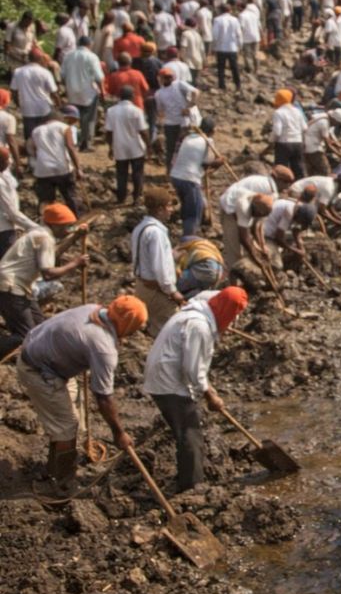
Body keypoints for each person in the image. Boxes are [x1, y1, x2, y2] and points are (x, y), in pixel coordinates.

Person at [17, 295, 146, 495]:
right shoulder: (103, 347)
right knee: (67, 425)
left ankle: (54, 467)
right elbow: (103, 397)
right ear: (127, 324)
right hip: (37, 369)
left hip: (42, 350)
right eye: (134, 328)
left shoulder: (93, 308)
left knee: (70, 420)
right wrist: (118, 433)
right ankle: (60, 484)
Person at [143, 285, 246, 494]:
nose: (234, 322)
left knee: (188, 432)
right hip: (168, 381)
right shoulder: (198, 326)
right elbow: (192, 370)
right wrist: (210, 396)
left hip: (168, 373)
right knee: (190, 435)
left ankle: (188, 481)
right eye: (234, 315)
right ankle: (192, 489)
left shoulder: (203, 306)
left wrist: (208, 387)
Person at [0, 204, 89, 356]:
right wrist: (75, 263)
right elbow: (48, 274)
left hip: (17, 287)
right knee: (25, 335)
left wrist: (74, 237)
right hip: (11, 287)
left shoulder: (39, 234)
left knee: (40, 328)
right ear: (54, 225)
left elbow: (52, 255)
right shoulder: (44, 238)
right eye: (65, 226)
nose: (67, 230)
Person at [132, 187, 187, 336]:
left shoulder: (141, 228)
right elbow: (160, 268)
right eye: (169, 206)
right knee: (171, 331)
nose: (171, 210)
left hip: (142, 286)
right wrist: (173, 292)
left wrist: (172, 255)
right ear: (160, 209)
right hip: (155, 290)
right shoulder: (156, 233)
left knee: (155, 328)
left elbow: (149, 258)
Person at [218, 166, 293, 267]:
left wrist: (262, 246)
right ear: (277, 179)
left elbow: (258, 224)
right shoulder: (245, 205)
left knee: (250, 247)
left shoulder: (270, 197)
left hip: (248, 206)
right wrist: (255, 256)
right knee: (234, 249)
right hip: (230, 209)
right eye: (286, 183)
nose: (287, 188)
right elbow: (244, 237)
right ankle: (233, 276)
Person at [170, 117, 221, 237]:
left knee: (190, 205)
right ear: (212, 130)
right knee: (193, 213)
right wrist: (219, 162)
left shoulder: (189, 137)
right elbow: (207, 164)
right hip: (189, 179)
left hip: (176, 176)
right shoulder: (207, 141)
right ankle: (189, 238)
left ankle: (195, 227)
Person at [28, 106, 82, 217]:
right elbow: (70, 147)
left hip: (43, 170)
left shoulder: (36, 131)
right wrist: (78, 168)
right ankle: (76, 220)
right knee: (70, 197)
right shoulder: (64, 127)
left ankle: (46, 223)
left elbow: (33, 150)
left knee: (46, 201)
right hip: (62, 168)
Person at [104, 85, 150, 204]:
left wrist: (110, 147)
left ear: (120, 97)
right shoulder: (137, 111)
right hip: (136, 147)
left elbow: (109, 132)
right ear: (132, 96)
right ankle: (136, 198)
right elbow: (143, 131)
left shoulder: (111, 111)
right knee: (137, 174)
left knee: (121, 174)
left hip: (119, 147)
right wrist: (149, 146)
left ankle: (121, 198)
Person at [59, 36, 105, 151]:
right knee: (89, 119)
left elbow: (62, 75)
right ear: (89, 44)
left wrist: (67, 87)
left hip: (72, 91)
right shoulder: (92, 56)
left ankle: (70, 141)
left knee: (72, 117)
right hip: (88, 92)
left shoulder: (68, 56)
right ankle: (86, 143)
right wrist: (103, 91)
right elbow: (99, 77)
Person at [0, 147, 39, 259]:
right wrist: (36, 227)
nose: (10, 161)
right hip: (3, 232)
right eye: (8, 159)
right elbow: (12, 213)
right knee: (8, 267)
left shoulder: (4, 177)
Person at [155, 67, 198, 166]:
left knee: (177, 148)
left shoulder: (178, 84)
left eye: (169, 77)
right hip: (176, 123)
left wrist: (189, 106)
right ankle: (171, 170)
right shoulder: (159, 93)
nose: (168, 79)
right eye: (166, 77)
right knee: (174, 148)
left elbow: (195, 92)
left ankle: (175, 170)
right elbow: (161, 111)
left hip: (182, 123)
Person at [11, 57, 60, 140]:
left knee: (29, 133)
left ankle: (29, 150)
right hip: (44, 107)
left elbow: (14, 90)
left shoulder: (18, 71)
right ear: (40, 60)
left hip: (27, 107)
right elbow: (54, 92)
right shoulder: (45, 72)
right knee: (44, 131)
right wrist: (59, 104)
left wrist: (17, 103)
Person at [270, 89, 306, 179]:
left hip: (283, 144)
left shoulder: (278, 112)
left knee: (281, 170)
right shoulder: (297, 111)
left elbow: (277, 132)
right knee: (298, 169)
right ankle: (299, 187)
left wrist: (271, 140)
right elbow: (305, 128)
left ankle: (282, 189)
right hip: (298, 143)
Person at [302, 105, 341, 176]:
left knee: (311, 171)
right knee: (326, 171)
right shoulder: (325, 124)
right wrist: (340, 155)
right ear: (335, 120)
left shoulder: (324, 117)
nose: (336, 126)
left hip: (307, 145)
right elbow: (328, 145)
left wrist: (338, 146)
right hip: (313, 148)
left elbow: (329, 139)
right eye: (337, 124)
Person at [211, 4, 242, 90]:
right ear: (230, 10)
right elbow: (239, 34)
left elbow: (215, 35)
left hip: (221, 48)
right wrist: (240, 45)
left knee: (221, 67)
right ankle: (238, 84)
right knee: (234, 67)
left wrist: (213, 47)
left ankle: (222, 85)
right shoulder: (235, 20)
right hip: (232, 48)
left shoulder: (217, 20)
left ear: (221, 10)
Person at [238, 0, 261, 76]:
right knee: (255, 53)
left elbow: (241, 27)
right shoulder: (253, 14)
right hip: (256, 36)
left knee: (247, 54)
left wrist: (239, 38)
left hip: (246, 37)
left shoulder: (242, 15)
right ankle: (257, 69)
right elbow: (259, 25)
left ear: (241, 7)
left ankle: (250, 69)